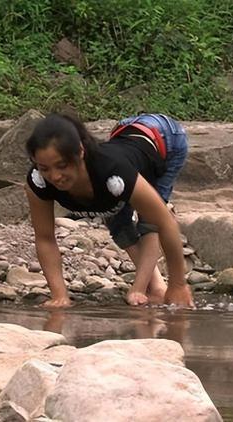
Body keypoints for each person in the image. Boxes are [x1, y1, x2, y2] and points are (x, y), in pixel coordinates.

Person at [24, 112, 194, 308]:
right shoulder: (38, 182)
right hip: (126, 136)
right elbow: (45, 238)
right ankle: (151, 285)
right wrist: (59, 296)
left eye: (62, 166)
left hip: (165, 138)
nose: (55, 176)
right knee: (117, 220)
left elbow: (165, 223)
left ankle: (150, 287)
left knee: (150, 219)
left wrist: (178, 285)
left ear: (80, 152)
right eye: (45, 168)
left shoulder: (112, 173)